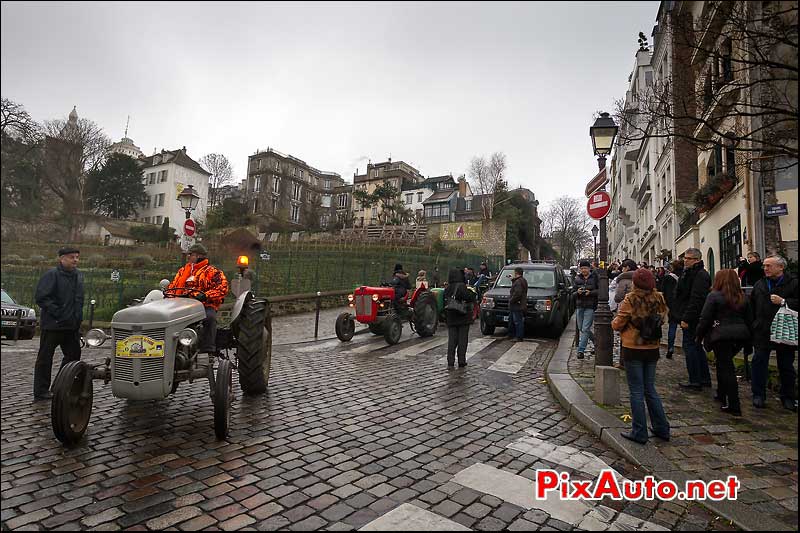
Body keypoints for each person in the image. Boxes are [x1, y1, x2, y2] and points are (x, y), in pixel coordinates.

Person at [611, 268, 670, 445]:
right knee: (650, 389)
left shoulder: (631, 298)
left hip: (633, 347)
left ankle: (639, 431)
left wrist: (616, 323)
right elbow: (663, 319)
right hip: (652, 347)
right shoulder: (659, 297)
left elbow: (618, 323)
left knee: (636, 390)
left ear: (636, 282)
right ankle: (661, 428)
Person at [695, 270, 752, 416]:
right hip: (739, 336)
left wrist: (699, 336)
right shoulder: (742, 297)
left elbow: (705, 318)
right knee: (723, 364)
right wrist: (749, 342)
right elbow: (749, 320)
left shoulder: (714, 296)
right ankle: (721, 393)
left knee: (726, 368)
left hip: (721, 336)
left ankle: (734, 404)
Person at [33, 247, 85, 401]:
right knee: (45, 359)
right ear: (61, 258)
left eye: (77, 257)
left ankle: (60, 386)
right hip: (53, 325)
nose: (75, 260)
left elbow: (79, 300)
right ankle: (41, 391)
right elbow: (42, 298)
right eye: (71, 257)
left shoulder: (78, 276)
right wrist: (59, 313)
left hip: (72, 327)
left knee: (73, 356)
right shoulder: (51, 275)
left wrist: (77, 319)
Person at [749, 255, 798, 411]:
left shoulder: (794, 283)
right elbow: (752, 305)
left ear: (781, 267)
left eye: (769, 266)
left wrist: (784, 302)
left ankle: (788, 397)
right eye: (764, 266)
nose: (765, 269)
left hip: (784, 329)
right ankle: (758, 395)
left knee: (786, 365)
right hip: (763, 330)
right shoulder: (760, 284)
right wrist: (753, 324)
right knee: (759, 362)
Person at [168, 244, 229, 354]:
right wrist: (169, 294)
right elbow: (174, 286)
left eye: (190, 255)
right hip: (181, 305)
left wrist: (205, 295)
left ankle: (208, 349)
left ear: (199, 256)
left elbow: (222, 288)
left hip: (204, 305)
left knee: (209, 318)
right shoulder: (183, 272)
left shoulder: (212, 272)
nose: (188, 257)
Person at [675, 248, 712, 390]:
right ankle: (703, 378)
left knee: (690, 347)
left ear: (697, 260)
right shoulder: (689, 273)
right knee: (695, 347)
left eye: (689, 258)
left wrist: (687, 318)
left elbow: (696, 299)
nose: (685, 260)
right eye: (685, 257)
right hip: (688, 314)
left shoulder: (700, 275)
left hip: (693, 318)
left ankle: (695, 380)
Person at [444, 268, 477, 368]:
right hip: (463, 317)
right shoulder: (462, 286)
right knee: (462, 340)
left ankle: (450, 361)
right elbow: (470, 297)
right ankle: (461, 361)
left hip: (451, 317)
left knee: (452, 341)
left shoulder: (448, 288)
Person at [573, 260, 598, 359]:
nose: (584, 270)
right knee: (581, 328)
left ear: (589, 269)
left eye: (585, 268)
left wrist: (590, 293)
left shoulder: (595, 278)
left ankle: (581, 350)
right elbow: (572, 293)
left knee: (585, 328)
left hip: (590, 306)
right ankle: (596, 342)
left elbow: (600, 290)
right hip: (580, 306)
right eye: (582, 268)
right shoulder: (577, 279)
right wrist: (577, 292)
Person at [661, 260, 683, 359]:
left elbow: (664, 292)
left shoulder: (667, 278)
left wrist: (666, 304)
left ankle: (670, 347)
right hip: (682, 305)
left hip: (672, 305)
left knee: (672, 327)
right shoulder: (684, 277)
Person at [508, 267, 528, 342]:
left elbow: (518, 293)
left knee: (517, 321)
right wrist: (513, 280)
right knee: (512, 320)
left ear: (516, 273)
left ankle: (519, 337)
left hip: (517, 305)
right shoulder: (522, 280)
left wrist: (511, 300)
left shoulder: (518, 282)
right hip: (518, 304)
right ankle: (512, 335)